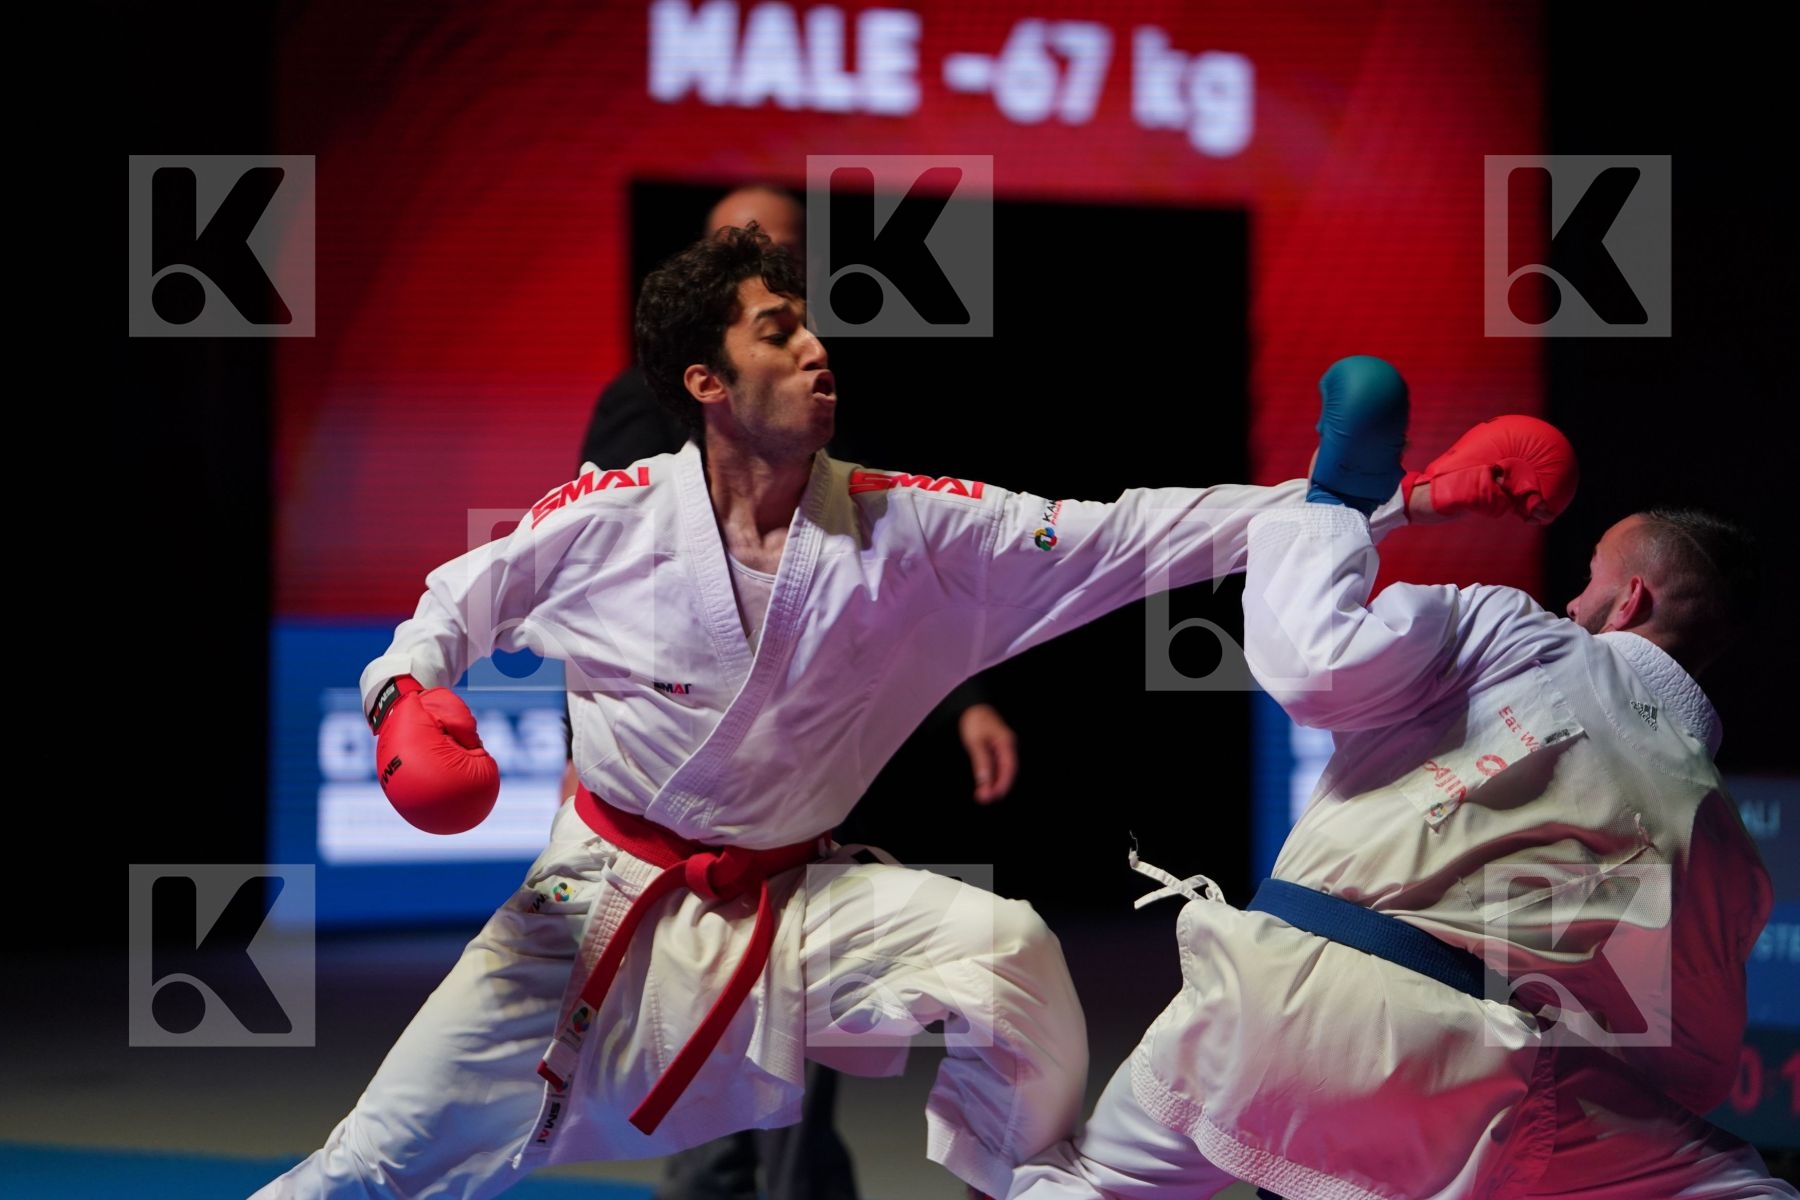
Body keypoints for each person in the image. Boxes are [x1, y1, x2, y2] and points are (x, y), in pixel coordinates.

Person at [254, 233, 1506, 1200]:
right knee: (376, 1159)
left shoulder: (910, 526)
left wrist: (1366, 505)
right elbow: (448, 606)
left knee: (1005, 954)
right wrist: (406, 699)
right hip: (587, 910)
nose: (815, 352)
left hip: (794, 905)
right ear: (705, 381)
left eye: (811, 329)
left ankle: (1028, 1189)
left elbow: (1127, 534)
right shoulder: (610, 519)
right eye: (777, 332)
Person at [1007, 376, 1794, 1198]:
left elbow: (1314, 665)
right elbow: (1689, 1068)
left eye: (1590, 577)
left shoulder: (1514, 630)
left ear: (1630, 600)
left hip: (1261, 1001)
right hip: (1465, 1083)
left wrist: (1337, 508)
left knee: (1088, 1183)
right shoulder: (1720, 839)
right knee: (1736, 1185)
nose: (1571, 597)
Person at [569, 183, 1016, 1200]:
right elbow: (583, 584)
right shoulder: (644, 409)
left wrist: (963, 698)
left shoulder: (817, 401)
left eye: (792, 252)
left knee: (796, 1053)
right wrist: (577, 752)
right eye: (748, 245)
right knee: (707, 1057)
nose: (777, 266)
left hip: (804, 780)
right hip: (679, 789)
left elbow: (891, 562)